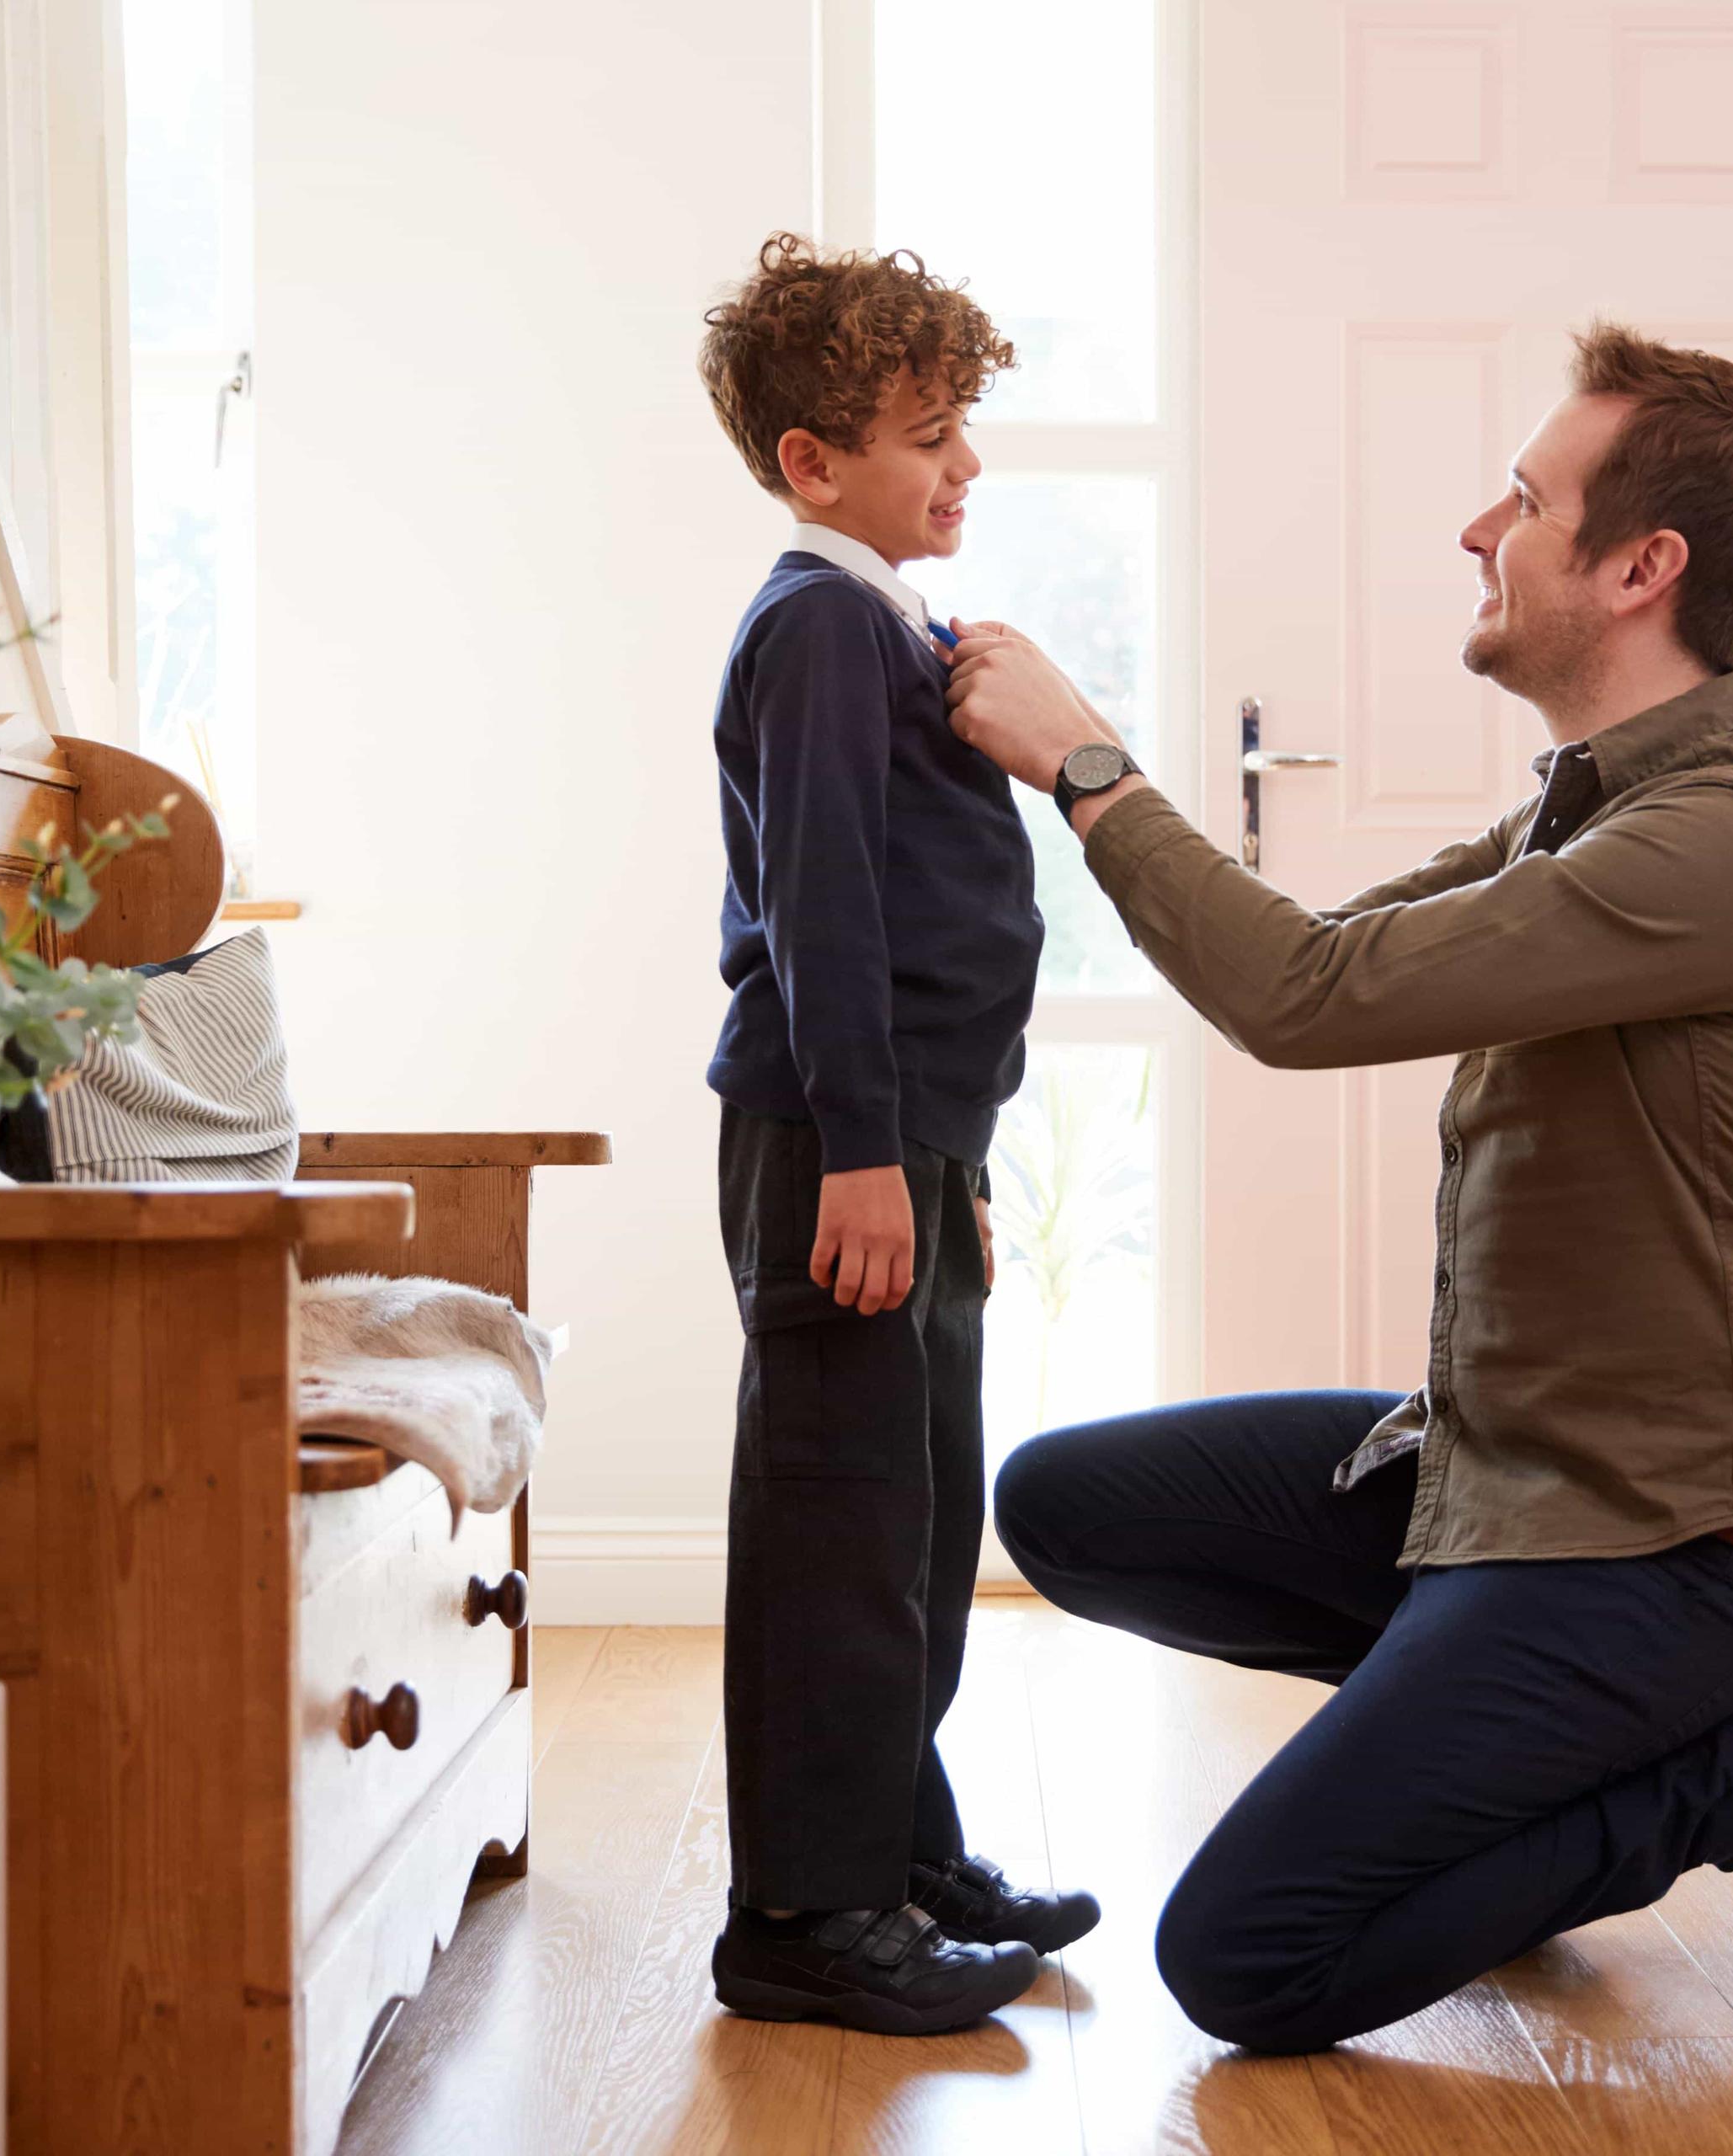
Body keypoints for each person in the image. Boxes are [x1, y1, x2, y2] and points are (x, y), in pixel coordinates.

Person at [940, 327, 1733, 2054]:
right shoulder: (1586, 812)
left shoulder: (1729, 840)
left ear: (1644, 568)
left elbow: (1300, 1002)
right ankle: (1497, 1793)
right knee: (1068, 1503)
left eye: (1525, 499)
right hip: (1502, 1472)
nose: (1476, 532)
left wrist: (1087, 762)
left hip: (1666, 1542)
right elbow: (1330, 952)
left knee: (1249, 1956)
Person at [692, 232, 1099, 2036]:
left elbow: (932, 931)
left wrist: (950, 1159)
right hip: (834, 1141)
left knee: (919, 1519)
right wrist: (865, 1149)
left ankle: (897, 1844)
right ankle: (804, 1908)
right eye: (929, 431)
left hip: (906, 1140)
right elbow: (828, 904)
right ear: (813, 459)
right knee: (840, 1524)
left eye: (964, 426)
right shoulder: (818, 626)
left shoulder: (886, 618)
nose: (966, 464)